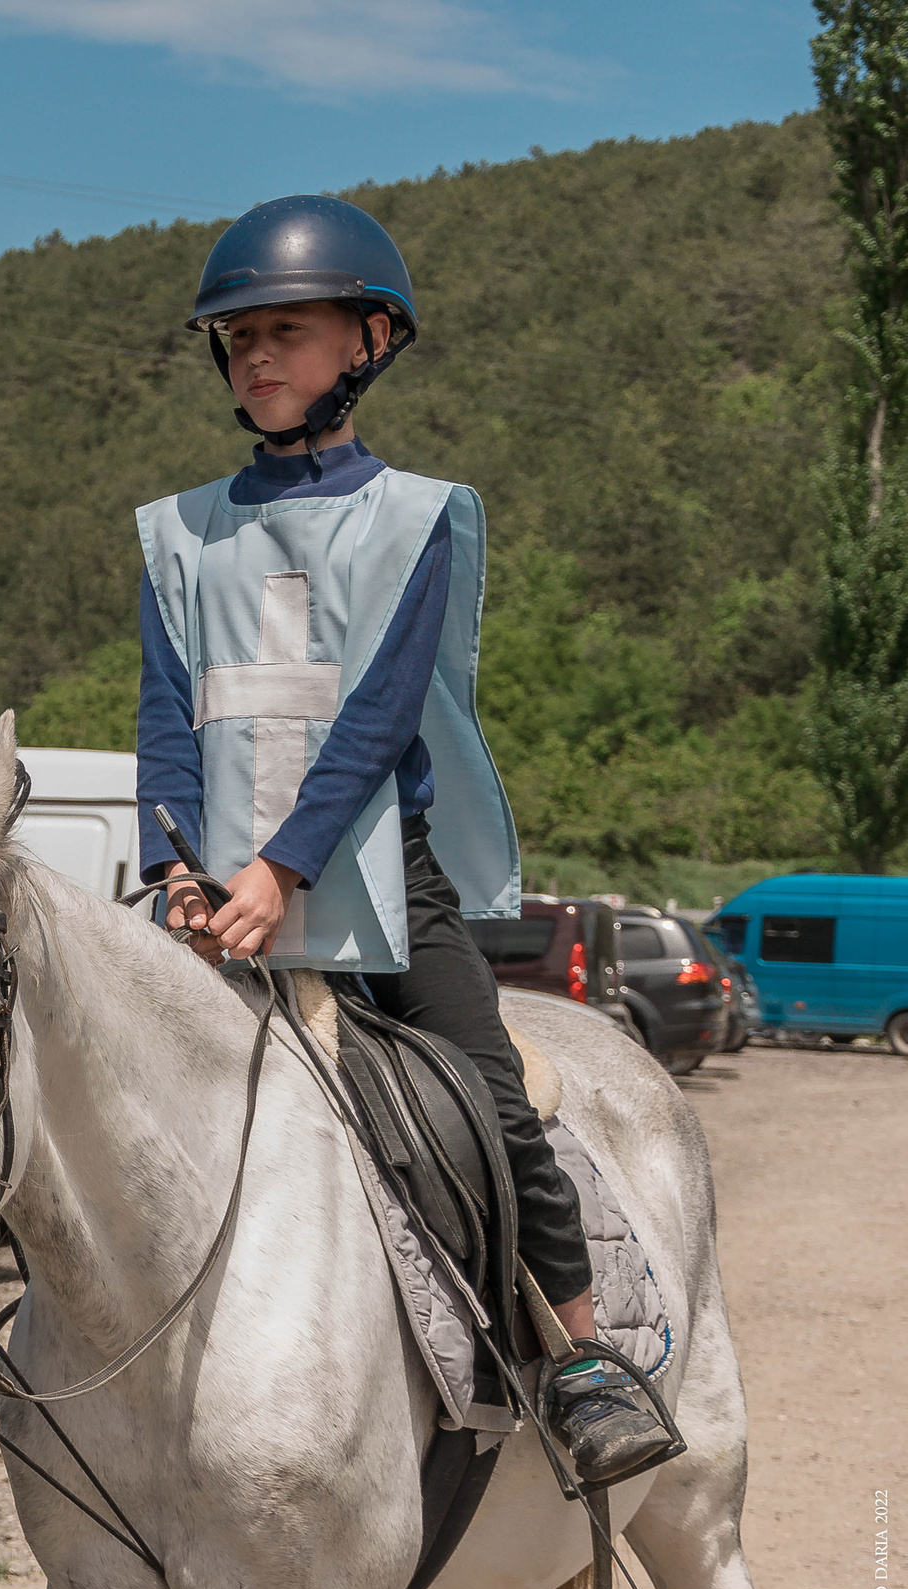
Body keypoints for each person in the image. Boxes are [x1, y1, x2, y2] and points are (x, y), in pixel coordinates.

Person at [134, 194, 675, 1484]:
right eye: (239, 337)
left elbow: (377, 717)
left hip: (376, 877)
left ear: (368, 340)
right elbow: (167, 710)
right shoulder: (173, 531)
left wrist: (283, 868)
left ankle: (581, 1357)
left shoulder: (416, 516)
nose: (256, 356)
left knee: (493, 1099)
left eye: (286, 329)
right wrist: (176, 865)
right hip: (214, 885)